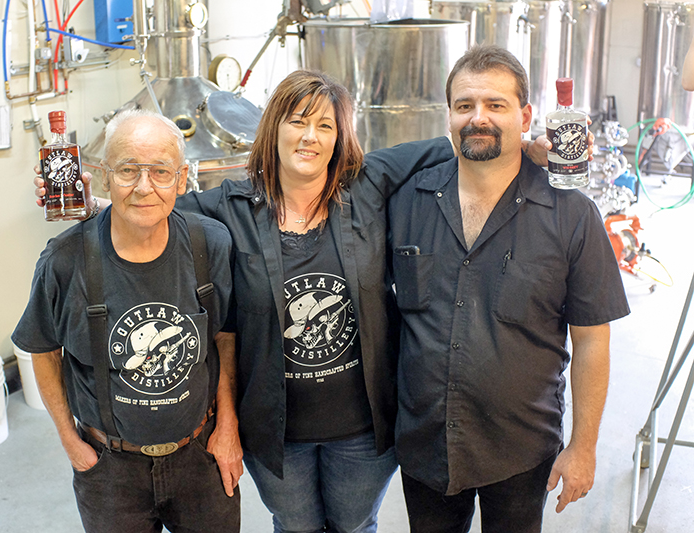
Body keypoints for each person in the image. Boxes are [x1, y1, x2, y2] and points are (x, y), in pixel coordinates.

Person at [33, 70, 556, 533]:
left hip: (363, 427)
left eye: (325, 126)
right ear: (274, 129)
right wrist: (92, 195)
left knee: (354, 523)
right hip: (276, 431)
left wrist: (531, 146)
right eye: (297, 121)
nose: (310, 136)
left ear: (339, 137)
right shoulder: (230, 206)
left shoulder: (370, 184)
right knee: (296, 525)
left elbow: (458, 143)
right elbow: (155, 203)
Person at [387, 45, 630, 533]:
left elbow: (591, 340)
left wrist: (583, 447)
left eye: (495, 105)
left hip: (520, 450)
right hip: (425, 441)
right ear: (449, 116)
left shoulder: (571, 215)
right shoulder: (406, 201)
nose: (479, 118)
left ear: (525, 116)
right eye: (464, 106)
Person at [13, 110, 241, 533]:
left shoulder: (211, 244)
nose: (143, 187)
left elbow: (225, 336)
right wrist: (71, 443)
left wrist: (227, 427)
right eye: (128, 170)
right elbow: (43, 349)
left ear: (182, 176)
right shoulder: (64, 261)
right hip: (109, 469)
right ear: (103, 176)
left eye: (159, 171)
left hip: (201, 456)